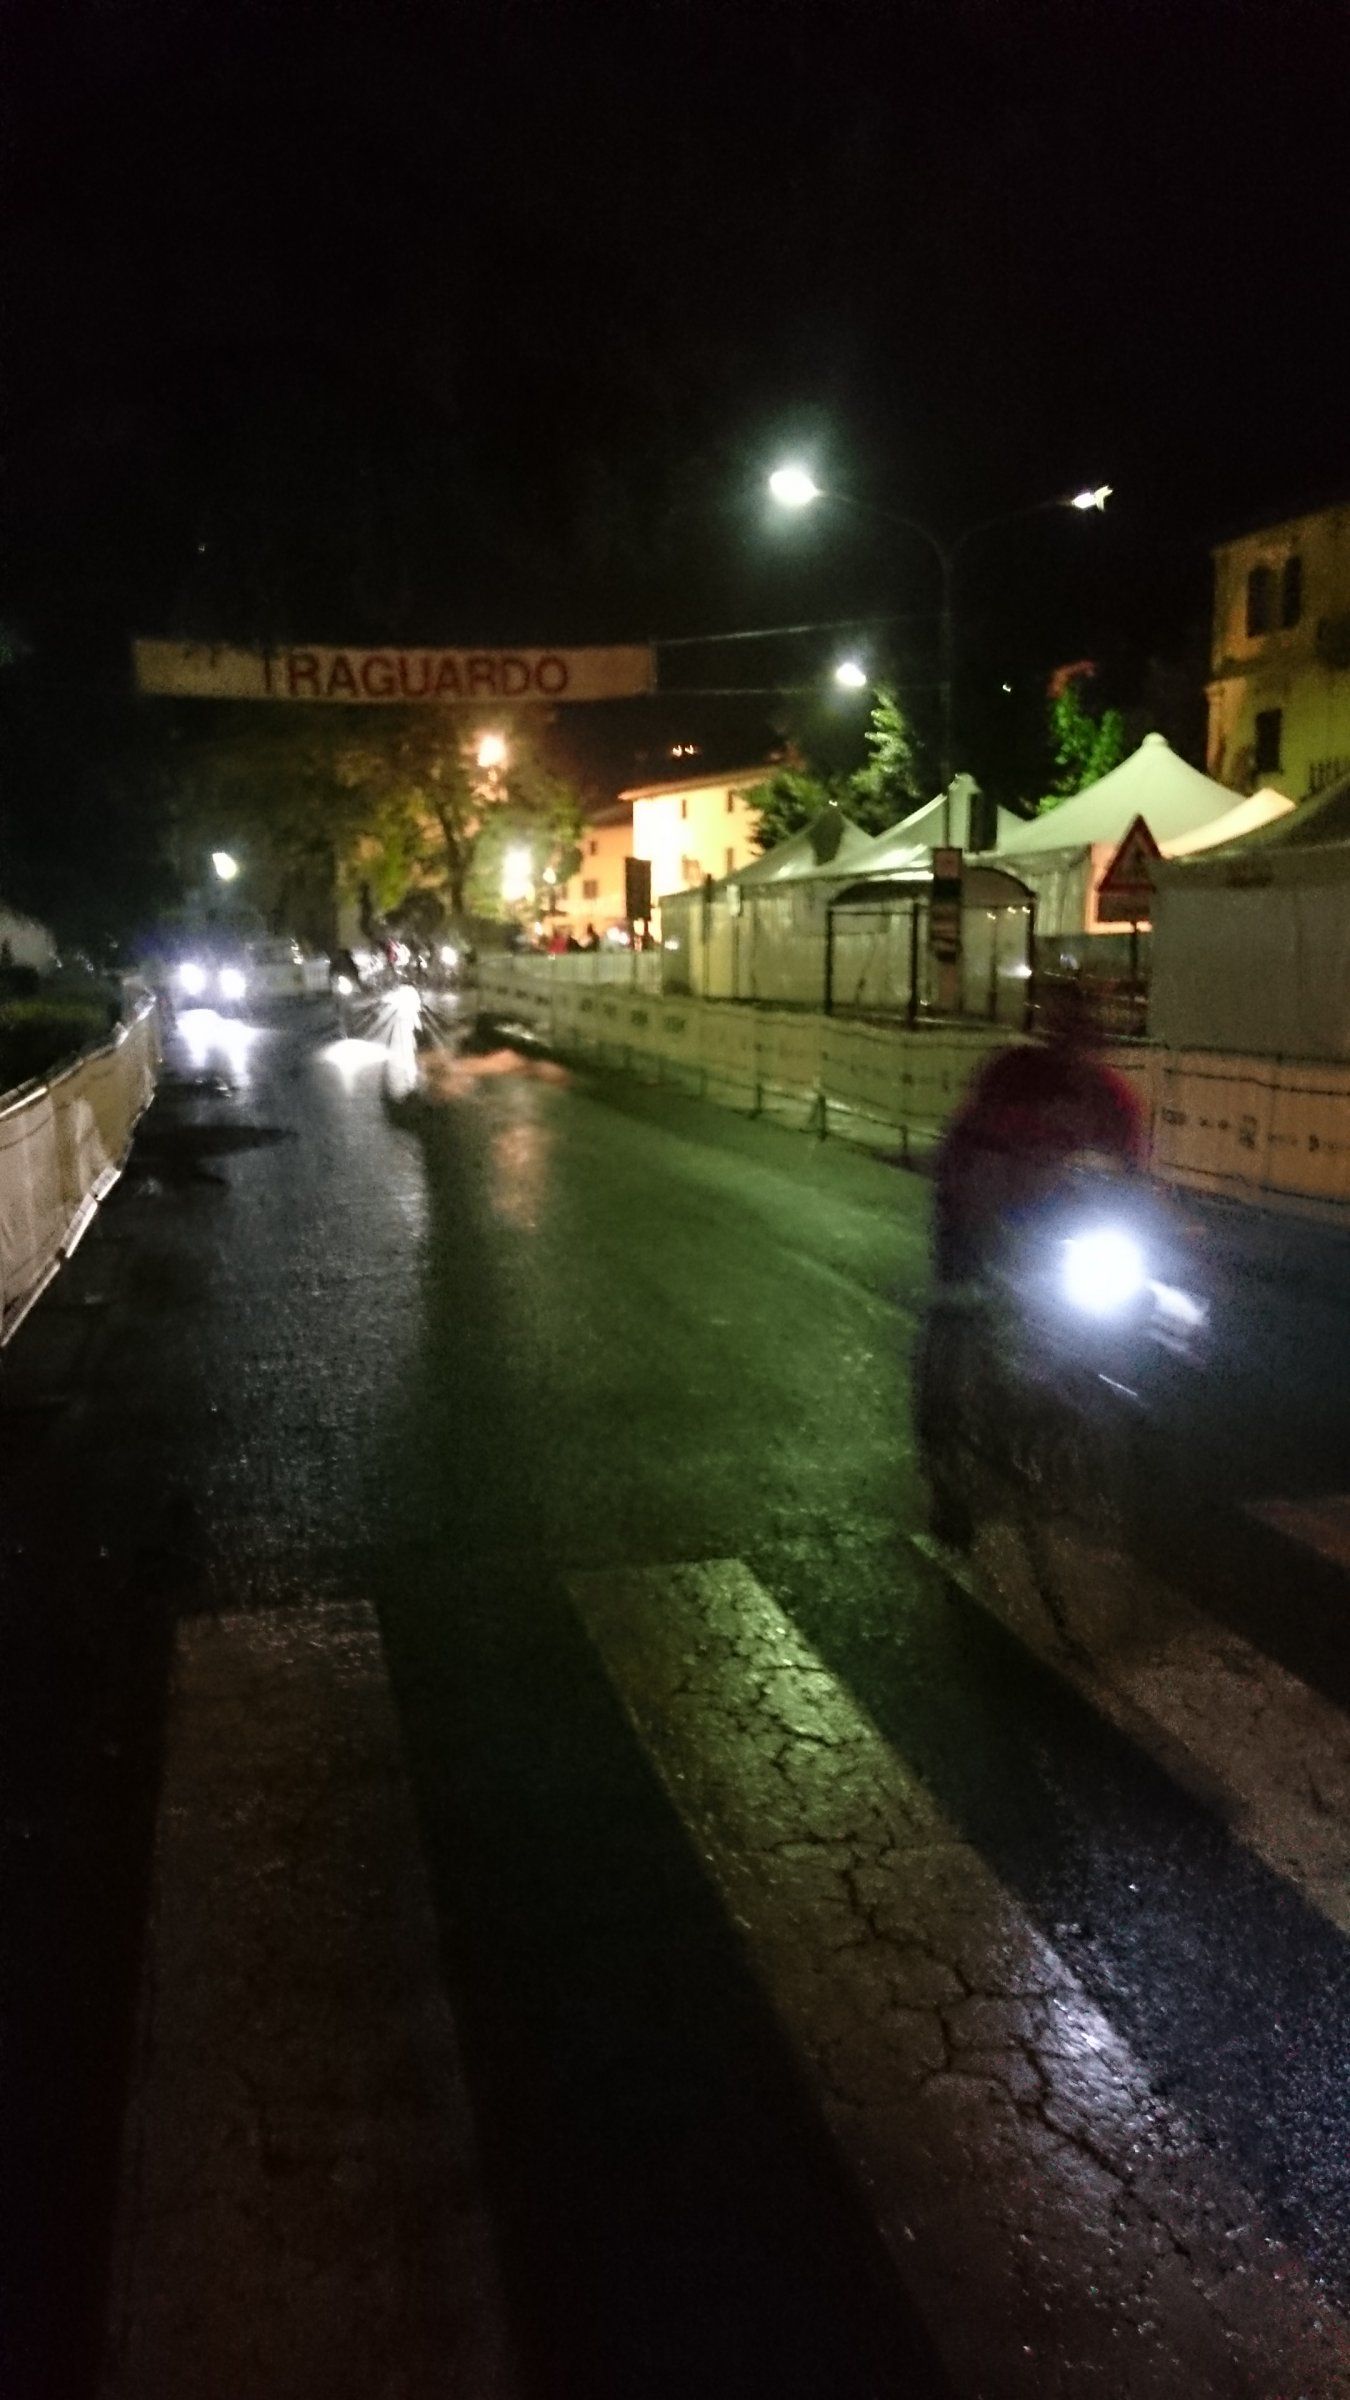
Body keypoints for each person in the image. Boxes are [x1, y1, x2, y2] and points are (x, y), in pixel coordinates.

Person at [933, 980, 1145, 1283]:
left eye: (1079, 1034)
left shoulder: (1109, 1096)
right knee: (967, 1269)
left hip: (1055, 1203)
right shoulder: (1014, 1072)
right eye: (1062, 1031)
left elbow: (1127, 1166)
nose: (1070, 1046)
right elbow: (971, 1142)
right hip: (995, 1196)